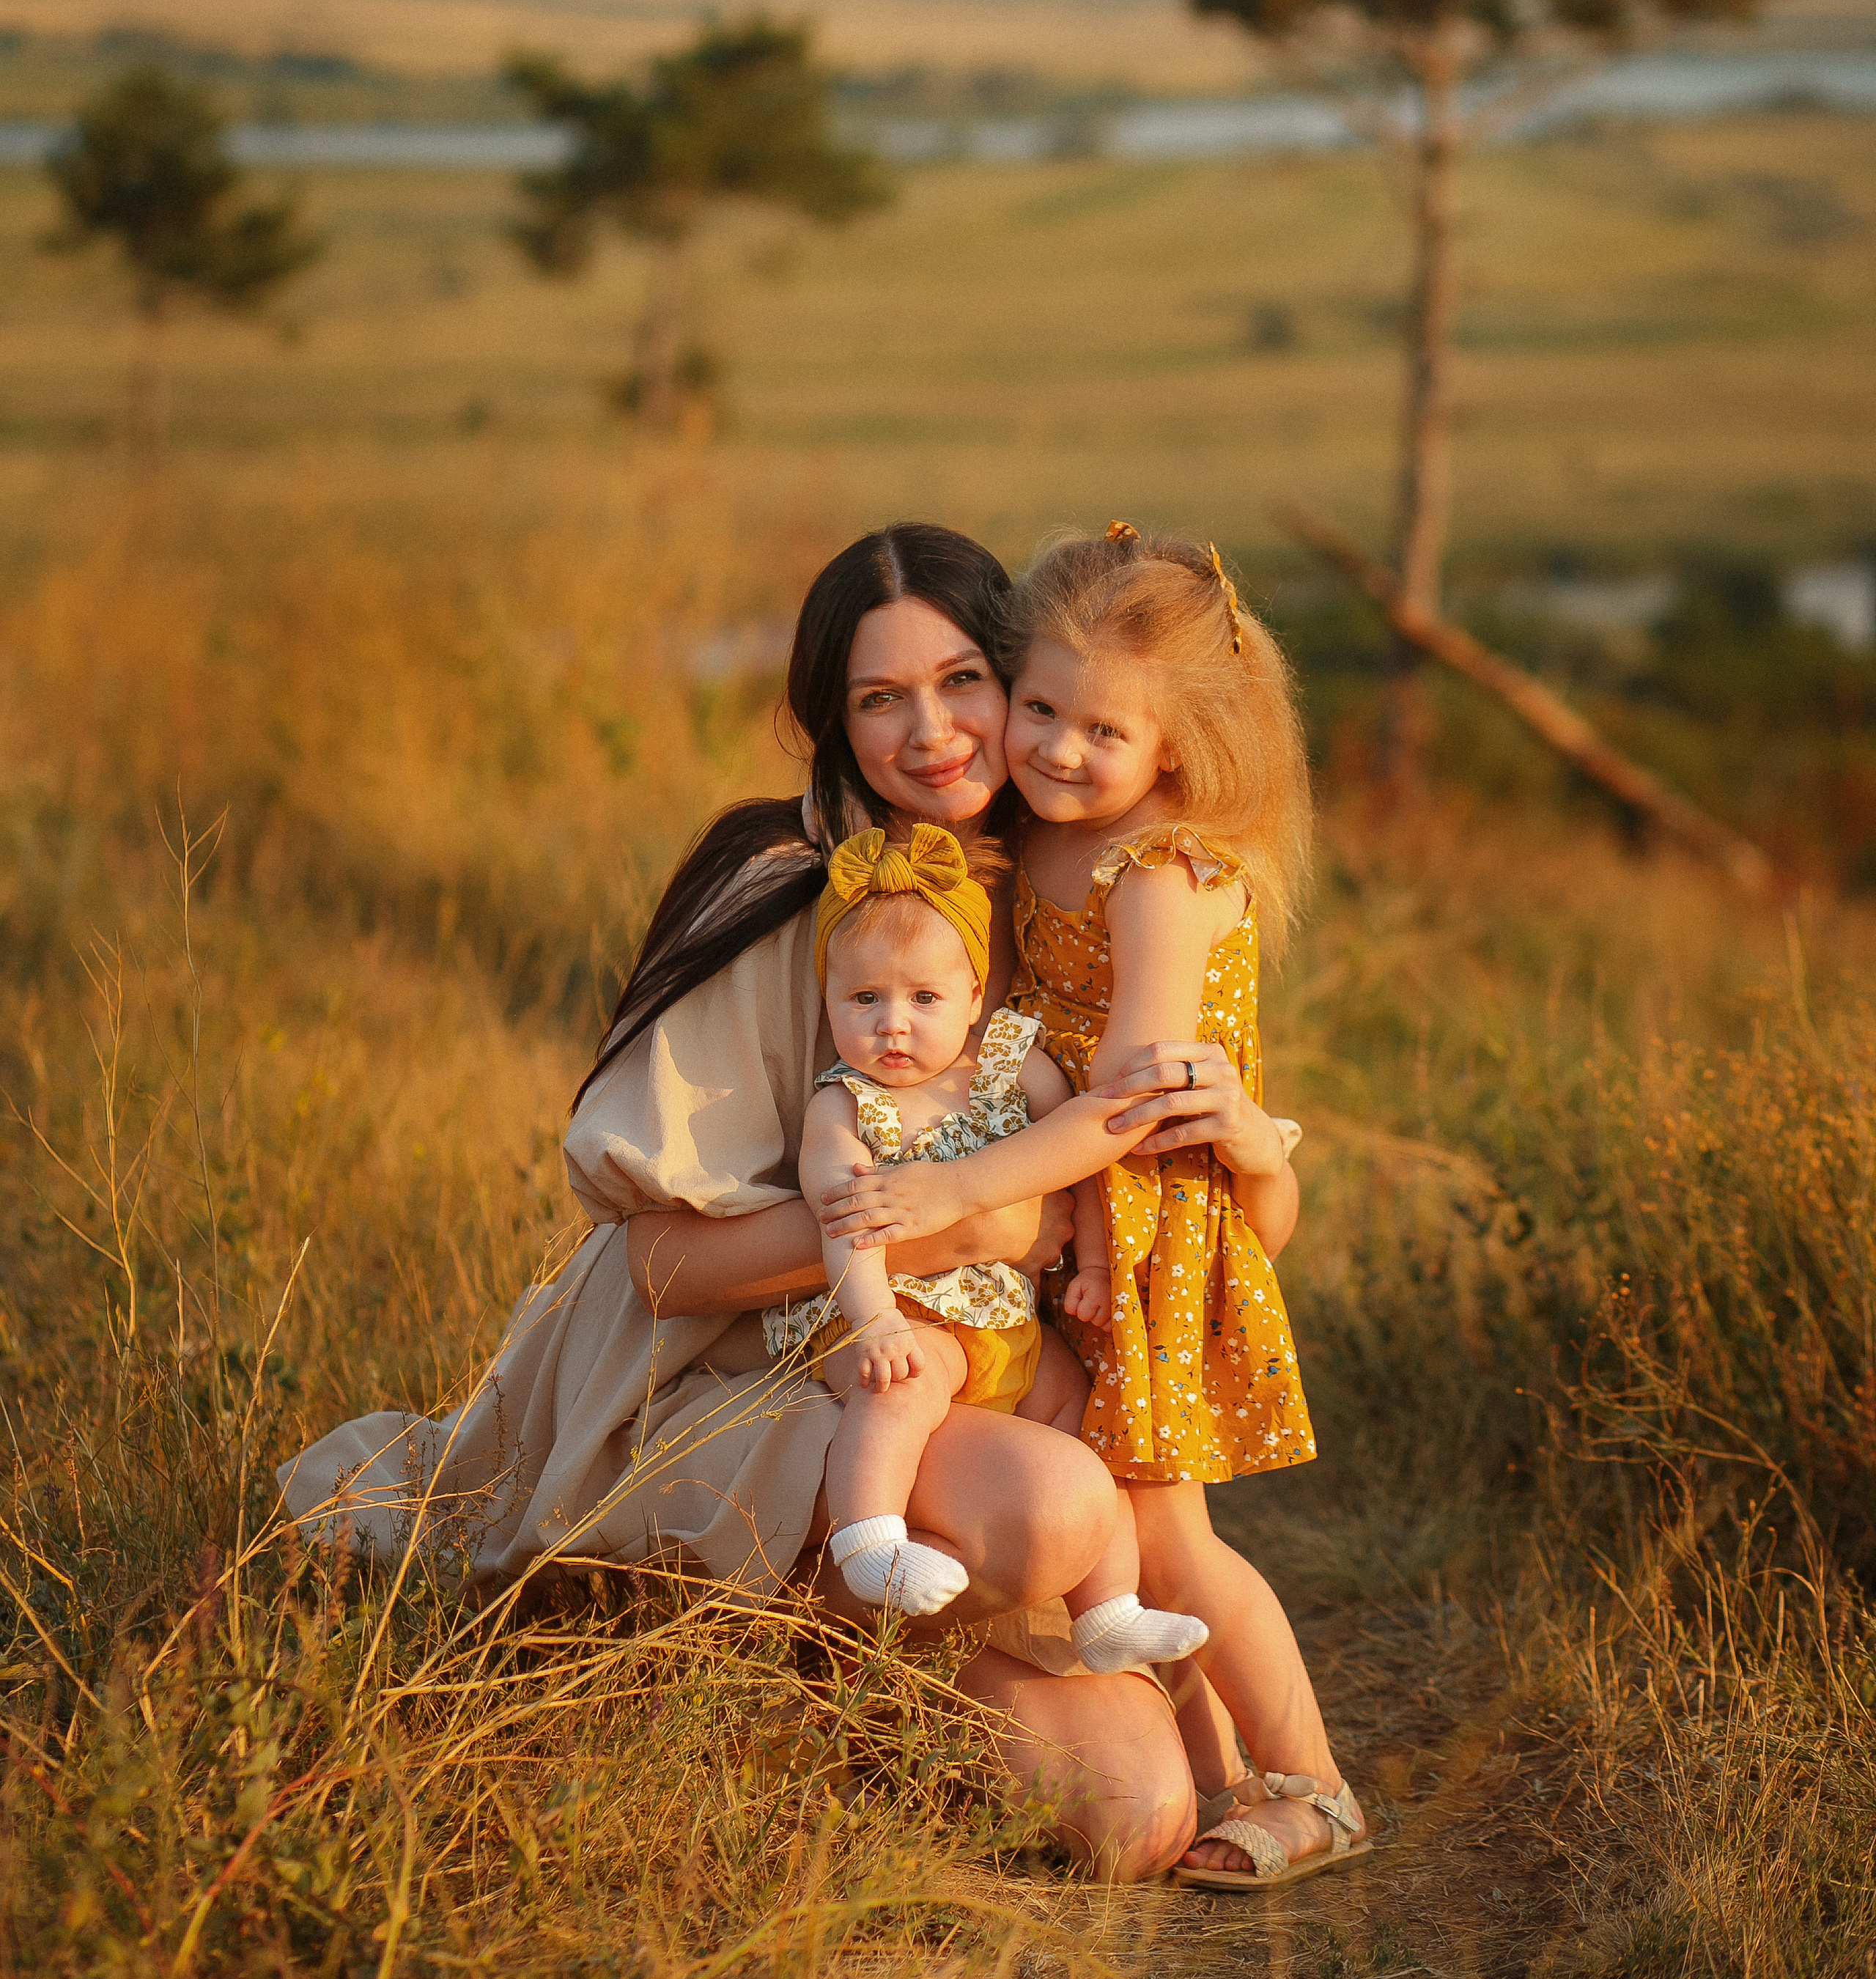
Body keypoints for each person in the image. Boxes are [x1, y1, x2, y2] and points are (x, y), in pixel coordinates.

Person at [278, 521, 1347, 1881]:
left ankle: (831, 1686)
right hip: (749, 1375)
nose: (936, 733)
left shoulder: (1080, 881)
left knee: (1136, 1814)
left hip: (968, 1383)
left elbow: (1202, 1231)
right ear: (826, 722)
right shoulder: (785, 890)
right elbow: (662, 1266)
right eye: (878, 698)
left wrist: (1256, 1150)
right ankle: (709, 1649)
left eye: (966, 683)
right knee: (1065, 1516)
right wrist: (954, 1218)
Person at [817, 522, 1368, 1887]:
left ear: (1179, 748)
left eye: (1100, 731)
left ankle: (1318, 1786)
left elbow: (1127, 1103)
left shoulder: (1159, 878)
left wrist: (958, 1183)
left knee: (1174, 1539)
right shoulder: (1036, 843)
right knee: (1122, 1525)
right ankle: (1216, 1777)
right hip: (1082, 1234)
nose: (1056, 749)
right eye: (1042, 708)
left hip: (1151, 1231)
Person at [790, 819, 1211, 1673]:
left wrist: (1091, 1265)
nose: (893, 1026)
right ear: (829, 1001)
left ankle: (1107, 1611)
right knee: (902, 1394)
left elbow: (1082, 1161)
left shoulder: (1012, 1066)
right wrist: (874, 1323)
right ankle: (869, 1543)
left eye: (923, 999)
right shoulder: (845, 1105)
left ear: (975, 995)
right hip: (905, 1318)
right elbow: (846, 1223)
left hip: (1007, 1323)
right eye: (863, 1000)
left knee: (1079, 1414)